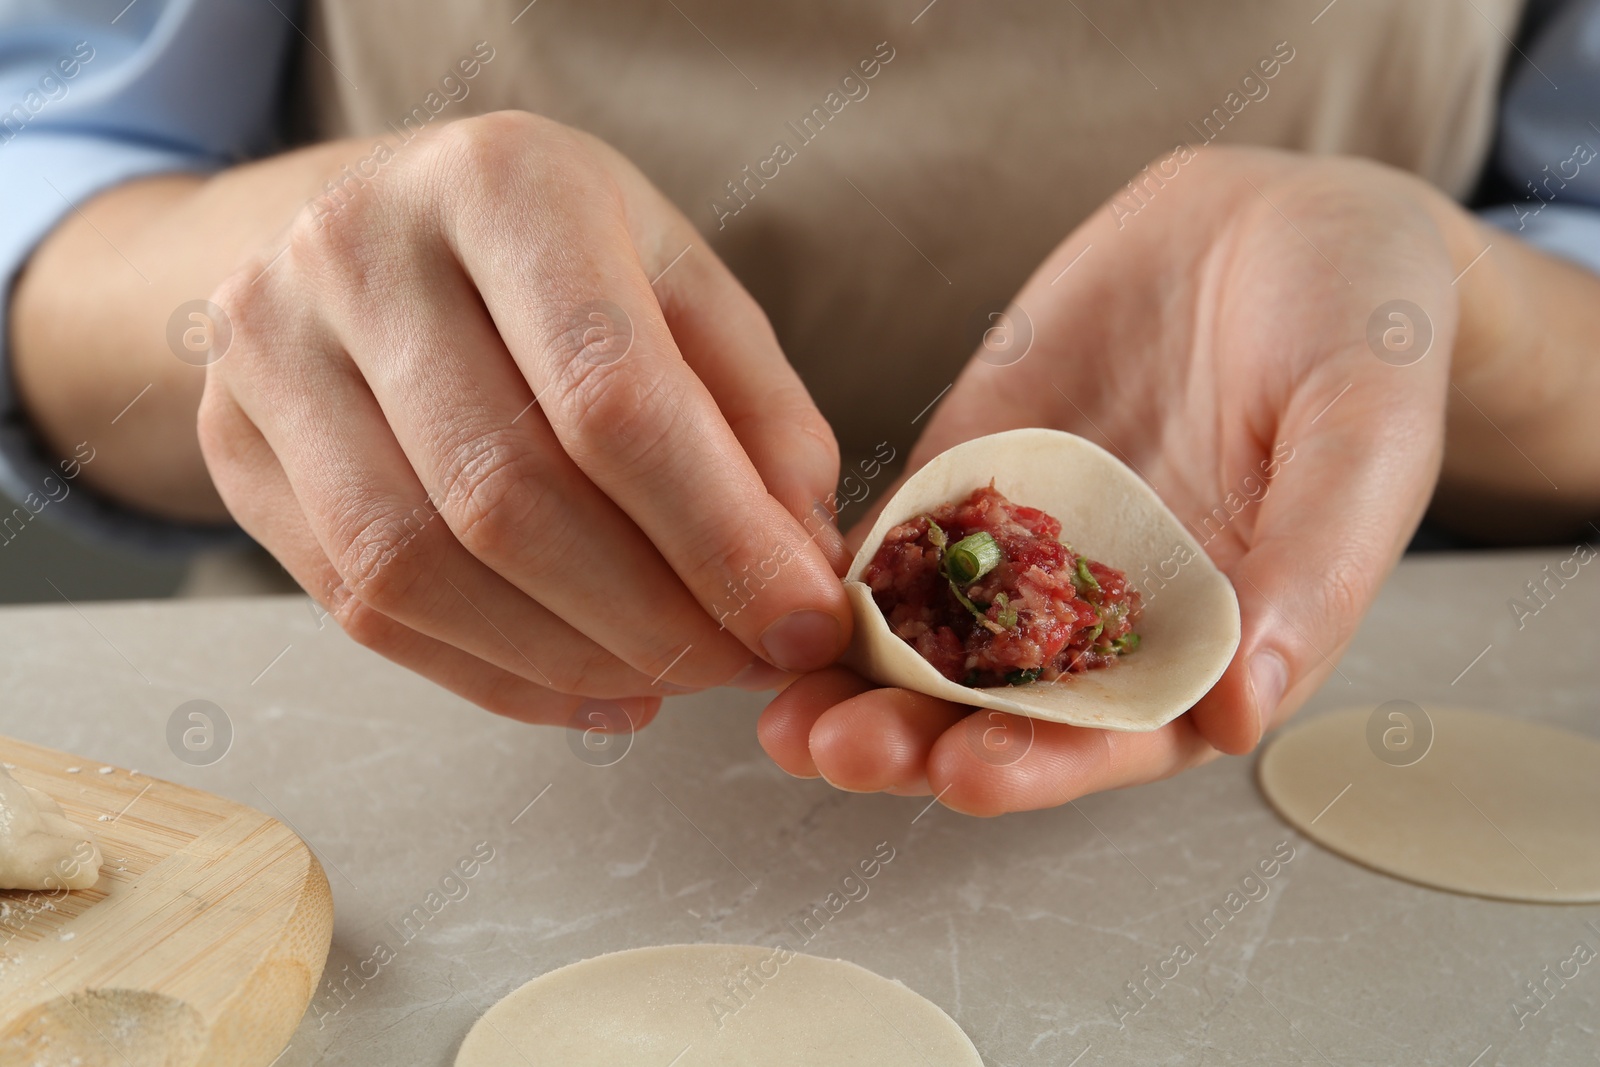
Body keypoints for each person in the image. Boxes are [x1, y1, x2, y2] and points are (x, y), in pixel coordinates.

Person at [2, 0, 1596, 816]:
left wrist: (1447, 306)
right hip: (433, 722)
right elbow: (54, 147)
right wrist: (288, 280)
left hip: (1384, 729)